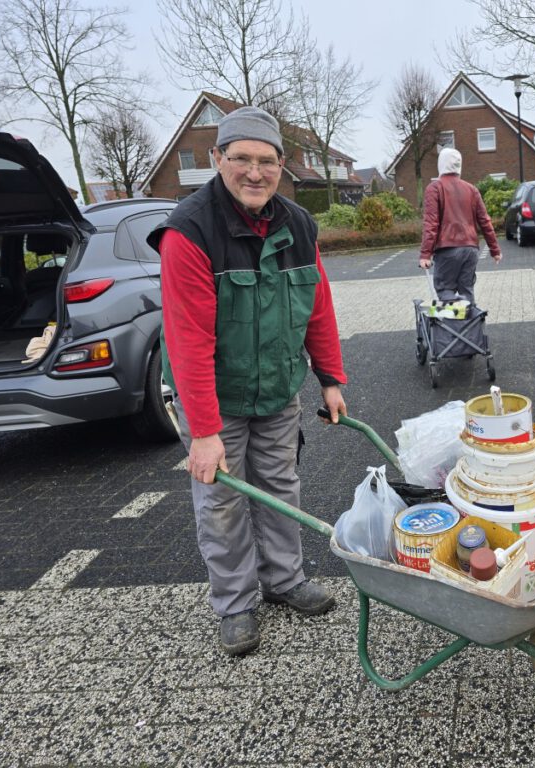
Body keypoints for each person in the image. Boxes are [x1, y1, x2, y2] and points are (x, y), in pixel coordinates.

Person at [148, 106, 347, 657]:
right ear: (218, 160)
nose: (254, 173)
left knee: (279, 484)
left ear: (282, 165)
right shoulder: (189, 232)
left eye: (266, 161)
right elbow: (187, 341)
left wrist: (330, 378)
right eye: (241, 159)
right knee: (221, 501)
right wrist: (205, 432)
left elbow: (318, 309)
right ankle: (235, 603)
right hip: (216, 398)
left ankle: (284, 580)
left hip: (279, 389)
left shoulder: (299, 226)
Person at [419, 147, 502, 303]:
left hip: (447, 250)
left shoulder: (435, 188)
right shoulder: (472, 189)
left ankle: (452, 326)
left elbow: (431, 223)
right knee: (466, 292)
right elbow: (485, 220)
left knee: (445, 290)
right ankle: (470, 326)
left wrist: (425, 255)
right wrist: (495, 250)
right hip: (470, 250)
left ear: (441, 164)